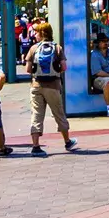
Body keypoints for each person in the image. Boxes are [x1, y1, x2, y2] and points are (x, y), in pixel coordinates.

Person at [24, 21, 77, 154]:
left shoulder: (33, 49)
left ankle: (35, 146)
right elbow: (64, 67)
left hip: (36, 86)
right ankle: (67, 142)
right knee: (59, 113)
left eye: (36, 32)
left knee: (36, 114)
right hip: (53, 86)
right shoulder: (57, 48)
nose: (34, 34)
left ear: (42, 33)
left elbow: (28, 69)